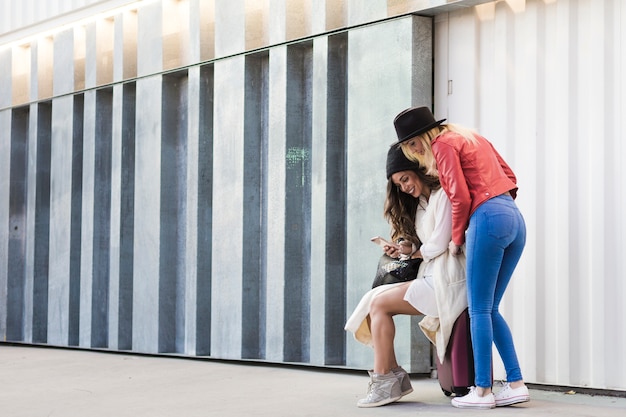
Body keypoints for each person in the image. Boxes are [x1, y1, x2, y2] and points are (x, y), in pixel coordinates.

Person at [393, 106, 529, 409]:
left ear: (428, 133)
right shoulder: (471, 135)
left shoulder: (442, 144)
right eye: (409, 147)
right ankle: (516, 383)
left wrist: (457, 239)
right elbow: (510, 175)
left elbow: (460, 196)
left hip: (488, 218)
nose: (416, 150)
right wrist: (501, 209)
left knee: (478, 309)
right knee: (490, 308)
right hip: (514, 218)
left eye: (415, 143)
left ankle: (482, 391)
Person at [344, 146, 467, 408]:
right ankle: (392, 376)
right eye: (399, 184)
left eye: (405, 179)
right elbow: (425, 245)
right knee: (373, 298)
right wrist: (402, 248)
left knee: (379, 304)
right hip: (431, 274)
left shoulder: (442, 195)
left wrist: (414, 254)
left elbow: (439, 242)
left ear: (418, 171)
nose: (404, 187)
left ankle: (386, 380)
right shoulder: (422, 204)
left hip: (447, 280)